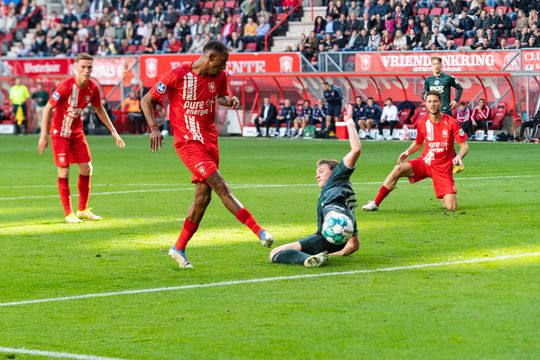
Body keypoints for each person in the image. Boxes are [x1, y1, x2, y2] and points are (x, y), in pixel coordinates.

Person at [140, 41, 273, 269]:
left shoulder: (219, 76)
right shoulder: (177, 75)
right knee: (221, 186)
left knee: (203, 199)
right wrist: (153, 127)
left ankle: (179, 247)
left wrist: (228, 101)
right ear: (210, 58)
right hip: (189, 143)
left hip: (210, 141)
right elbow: (146, 100)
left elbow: (219, 96)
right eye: (222, 63)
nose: (224, 68)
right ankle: (259, 231)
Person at [269, 104, 361, 267]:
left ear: (333, 171)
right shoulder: (347, 200)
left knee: (275, 253)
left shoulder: (337, 178)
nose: (317, 175)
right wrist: (337, 252)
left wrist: (349, 121)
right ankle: (314, 256)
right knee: (334, 212)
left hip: (329, 231)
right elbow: (354, 244)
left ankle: (306, 260)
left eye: (321, 170)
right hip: (335, 237)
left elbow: (356, 150)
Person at [37, 53, 125, 223]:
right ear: (75, 67)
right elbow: (48, 108)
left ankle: (83, 209)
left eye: (89, 67)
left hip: (77, 133)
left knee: (87, 169)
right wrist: (43, 136)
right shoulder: (65, 86)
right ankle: (69, 213)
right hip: (60, 134)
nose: (86, 70)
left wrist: (113, 132)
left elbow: (100, 109)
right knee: (64, 171)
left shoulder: (92, 88)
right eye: (83, 67)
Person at [362, 91, 468, 212]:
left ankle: (446, 193)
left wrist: (459, 156)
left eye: (435, 101)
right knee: (398, 169)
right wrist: (407, 152)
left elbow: (464, 146)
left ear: (440, 103)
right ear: (426, 104)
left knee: (451, 207)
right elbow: (418, 142)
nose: (432, 104)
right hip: (425, 162)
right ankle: (375, 202)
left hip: (443, 168)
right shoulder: (422, 122)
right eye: (429, 102)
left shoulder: (451, 122)